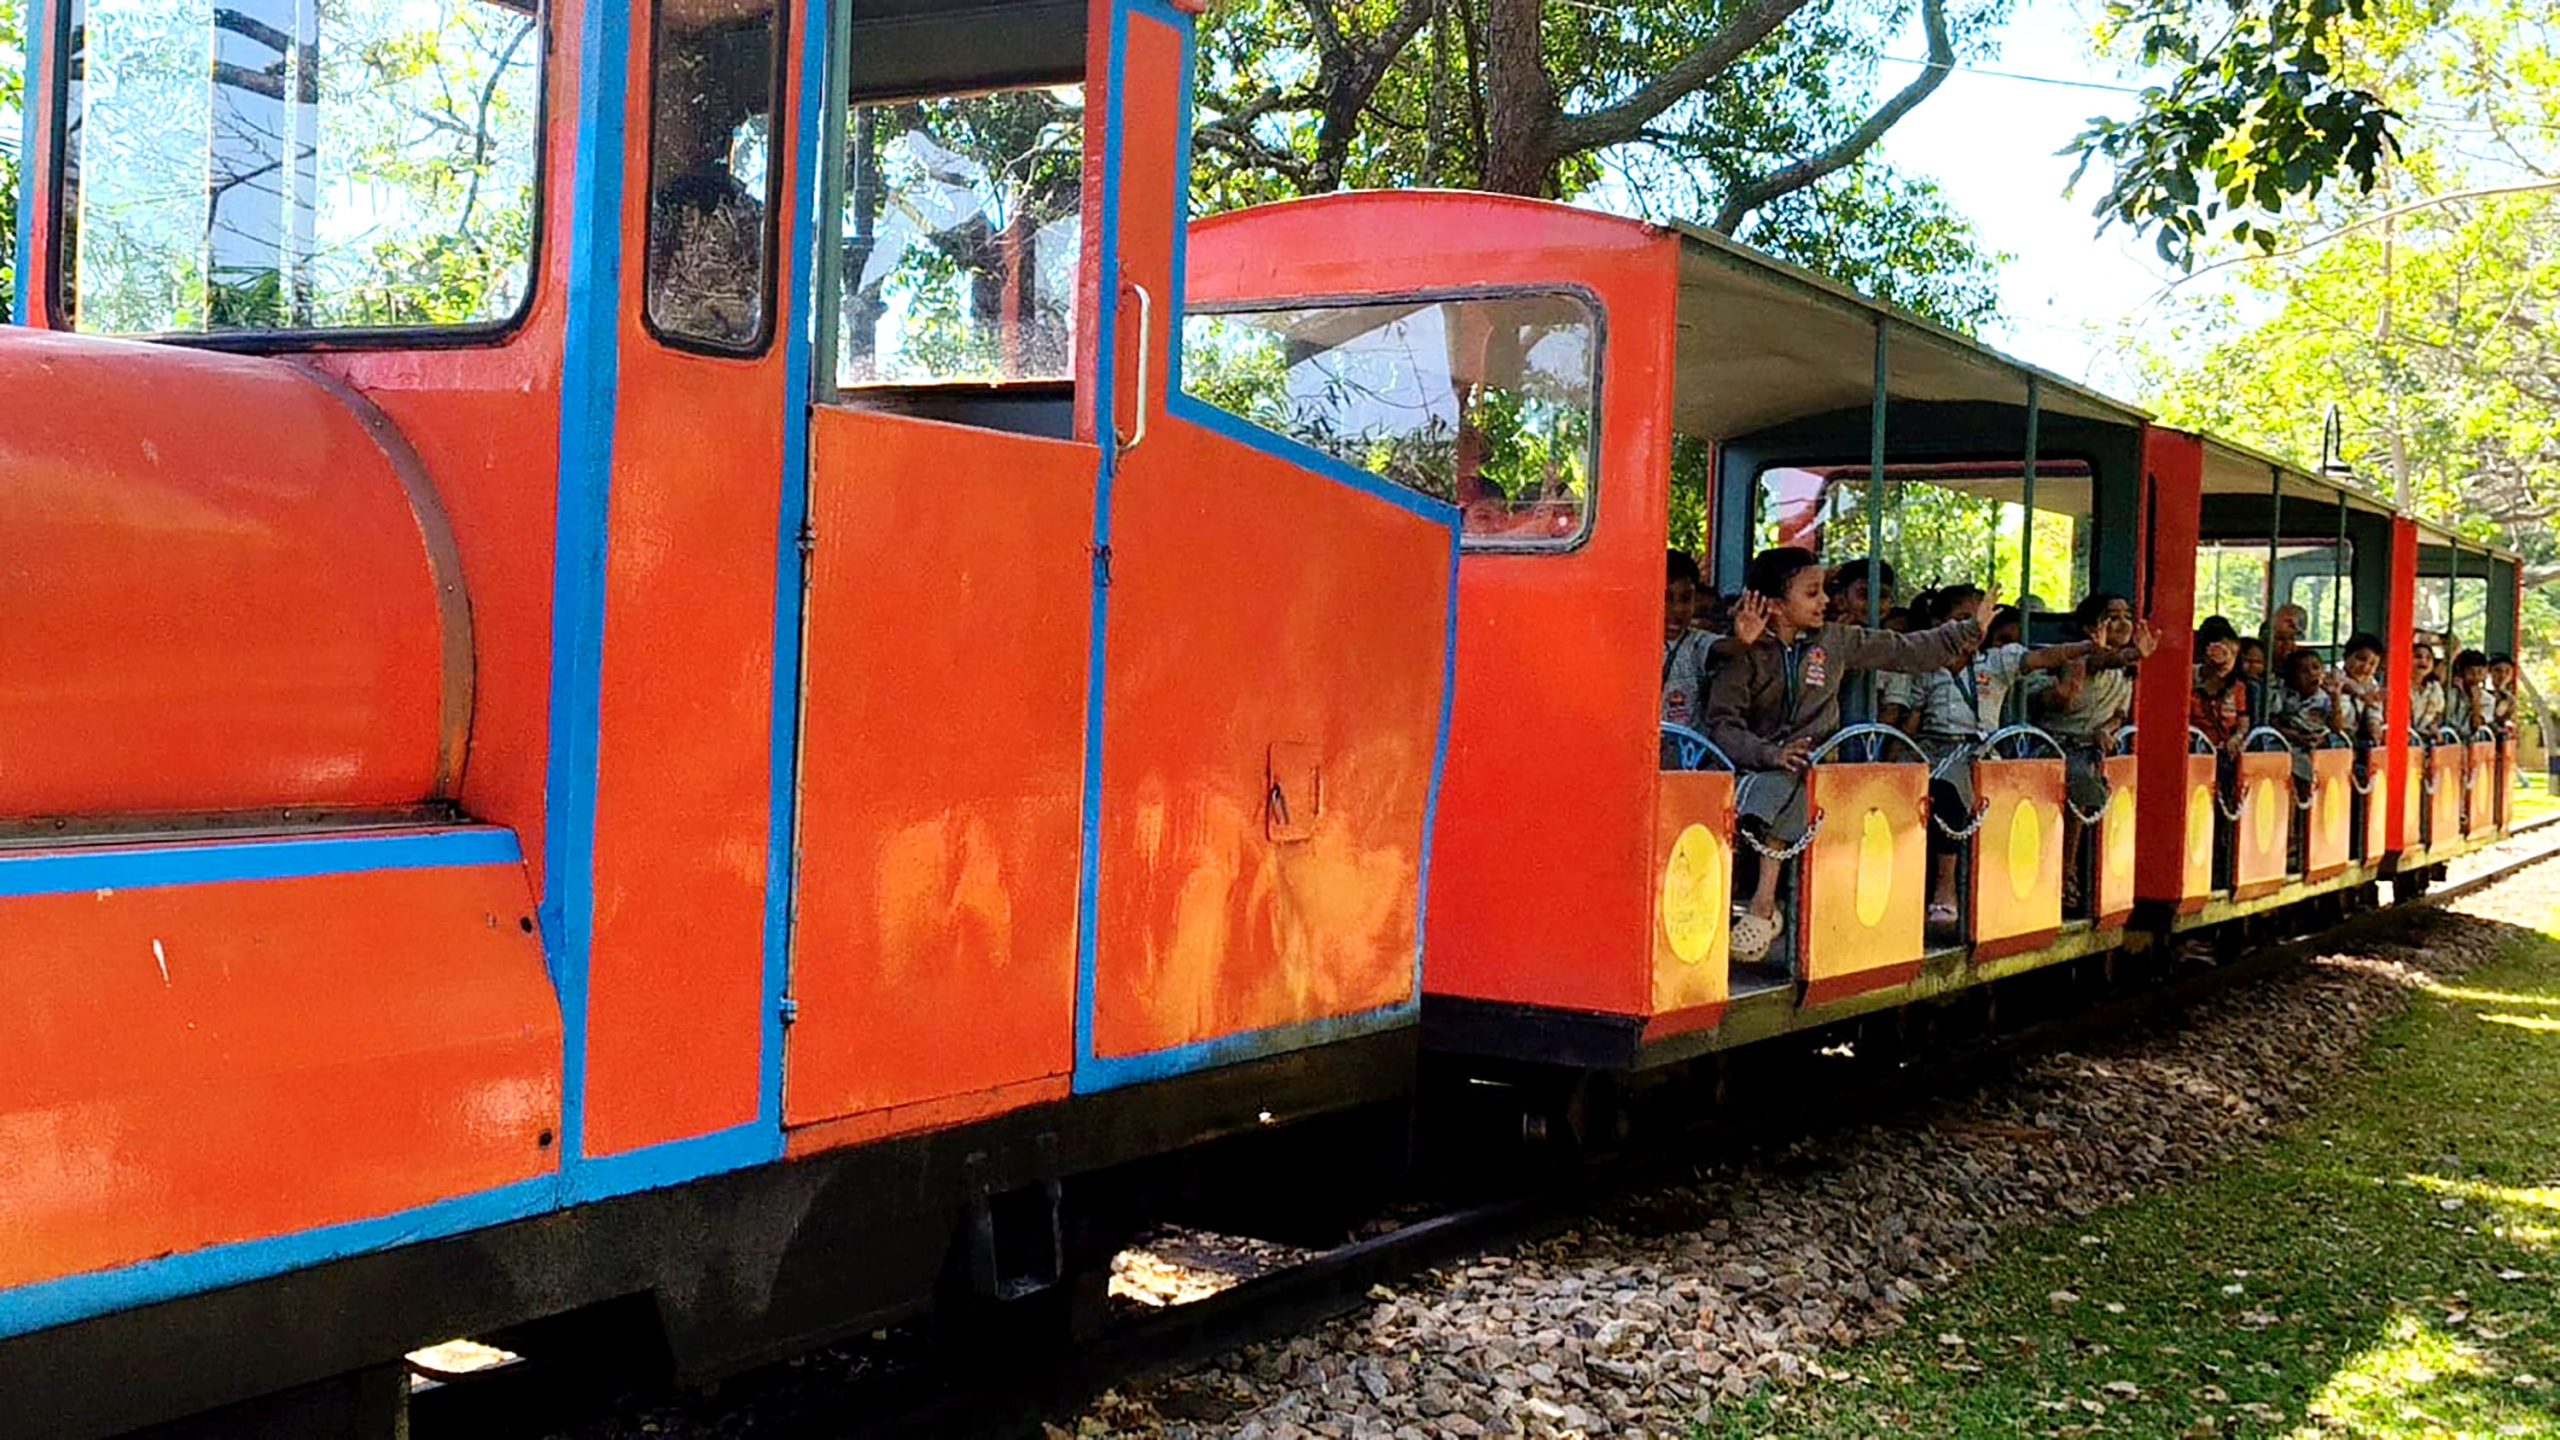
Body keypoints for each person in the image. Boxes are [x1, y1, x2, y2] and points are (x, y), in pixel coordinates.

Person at [1704, 549, 1987, 968]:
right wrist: (1770, 753)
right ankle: (1755, 904)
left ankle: (1763, 904)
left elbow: (1903, 650)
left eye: (1825, 592)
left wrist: (1966, 631)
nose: (1825, 602)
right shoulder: (1743, 652)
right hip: (1753, 764)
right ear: (1776, 604)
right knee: (1776, 781)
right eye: (1813, 592)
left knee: (1798, 778)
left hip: (1815, 763)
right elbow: (1723, 724)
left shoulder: (1836, 640)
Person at [1912, 584, 2110, 929]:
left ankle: (1947, 889)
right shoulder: (1926, 664)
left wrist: (2087, 647)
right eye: (1961, 620)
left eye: (1978, 620)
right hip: (1932, 747)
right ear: (1939, 623)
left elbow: (2044, 657)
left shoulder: (1998, 660)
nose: (1971, 628)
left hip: (1980, 751)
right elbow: (1912, 718)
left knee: (1949, 791)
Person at [2027, 593, 2159, 911]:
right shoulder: (2074, 658)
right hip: (2053, 745)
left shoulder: (2125, 671)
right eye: (2112, 616)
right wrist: (2131, 655)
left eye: (2127, 615)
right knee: (2080, 781)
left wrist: (2108, 730)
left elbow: (2118, 713)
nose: (2123, 622)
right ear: (2090, 626)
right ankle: (2066, 874)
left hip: (2090, 748)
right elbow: (2097, 661)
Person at [2191, 636, 2250, 752]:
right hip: (2194, 746)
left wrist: (2237, 737)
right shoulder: (2189, 679)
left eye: (2233, 654)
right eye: (2221, 651)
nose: (2227, 659)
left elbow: (2243, 723)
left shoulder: (2238, 687)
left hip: (2225, 750)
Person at [2337, 634, 2387, 748]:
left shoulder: (2371, 684)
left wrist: (2374, 726)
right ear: (2346, 656)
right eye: (2361, 659)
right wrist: (2361, 695)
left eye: (2372, 664)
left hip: (2354, 736)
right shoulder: (2335, 673)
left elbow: (2374, 711)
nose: (2365, 667)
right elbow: (2345, 684)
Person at [2410, 639, 2448, 738]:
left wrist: (2433, 725)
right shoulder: (2400, 684)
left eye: (2428, 658)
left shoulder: (2435, 687)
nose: (2423, 661)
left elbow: (2439, 713)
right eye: (2418, 657)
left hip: (2427, 736)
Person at [2449, 650, 2492, 735]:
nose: (2475, 676)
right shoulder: (2452, 695)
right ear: (2461, 672)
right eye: (2470, 672)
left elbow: (2476, 725)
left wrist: (2475, 700)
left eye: (2479, 672)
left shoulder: (2488, 700)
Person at [2490, 654, 2520, 737]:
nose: (2502, 675)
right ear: (2489, 671)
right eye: (2497, 670)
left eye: (2507, 671)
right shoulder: (2481, 693)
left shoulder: (2509, 698)